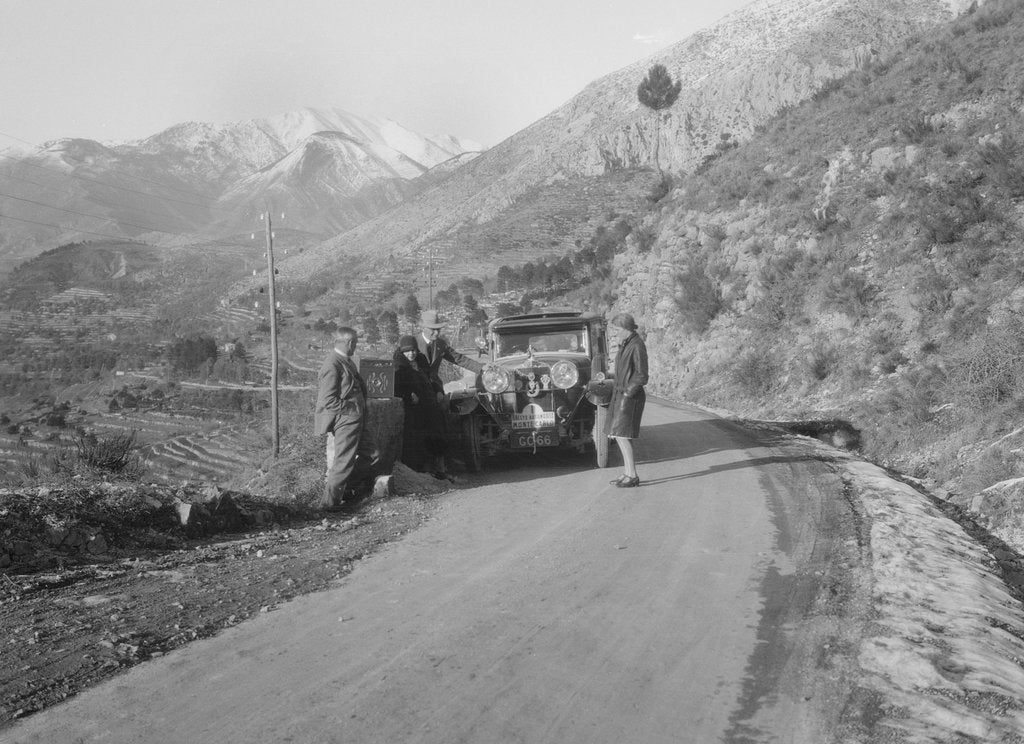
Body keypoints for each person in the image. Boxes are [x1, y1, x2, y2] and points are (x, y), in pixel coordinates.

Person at [314, 328, 379, 511]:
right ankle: (328, 505)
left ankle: (345, 489)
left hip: (356, 419)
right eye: (356, 343)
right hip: (346, 421)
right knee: (343, 462)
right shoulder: (332, 364)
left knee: (373, 455)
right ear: (349, 343)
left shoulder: (345, 361)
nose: (356, 346)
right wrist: (352, 409)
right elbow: (327, 400)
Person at [414, 310, 484, 477]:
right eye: (432, 329)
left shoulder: (441, 344)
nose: (436, 333)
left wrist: (483, 369)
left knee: (442, 423)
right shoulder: (413, 344)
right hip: (416, 389)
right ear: (423, 327)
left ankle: (442, 465)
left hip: (435, 390)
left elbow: (459, 359)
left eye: (438, 329)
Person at [605, 312, 648, 488]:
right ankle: (628, 472)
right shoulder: (627, 344)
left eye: (617, 329)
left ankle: (632, 475)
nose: (615, 332)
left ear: (625, 329)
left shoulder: (636, 345)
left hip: (629, 396)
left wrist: (628, 394)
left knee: (622, 435)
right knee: (619, 435)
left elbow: (642, 375)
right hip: (622, 394)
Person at [393, 334, 447, 473]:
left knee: (438, 432)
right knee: (418, 438)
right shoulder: (398, 366)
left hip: (430, 403)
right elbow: (396, 389)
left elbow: (431, 379)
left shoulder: (421, 361)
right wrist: (408, 396)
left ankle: (440, 468)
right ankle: (421, 470)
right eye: (408, 351)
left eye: (414, 350)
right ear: (402, 351)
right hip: (414, 408)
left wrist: (438, 390)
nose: (411, 354)